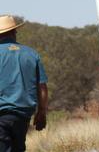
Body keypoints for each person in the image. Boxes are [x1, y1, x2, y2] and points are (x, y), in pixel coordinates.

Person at [0, 15, 48, 152]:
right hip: (23, 116)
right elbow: (42, 87)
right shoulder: (32, 54)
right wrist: (42, 112)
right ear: (14, 32)